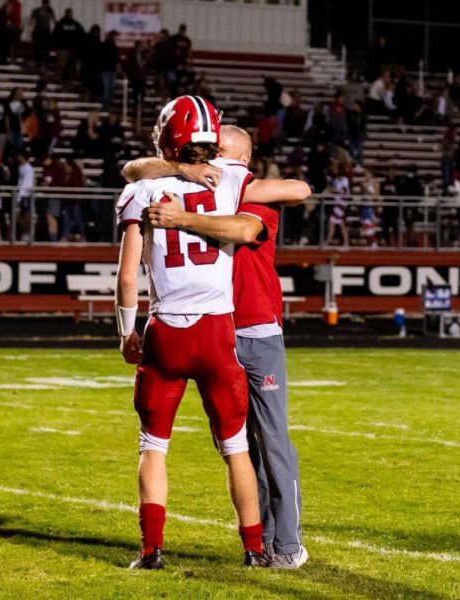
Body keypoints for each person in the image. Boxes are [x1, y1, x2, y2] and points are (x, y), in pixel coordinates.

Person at [124, 124, 311, 569]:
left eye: (218, 155)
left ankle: (284, 543)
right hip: (218, 331)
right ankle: (259, 540)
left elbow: (247, 229)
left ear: (240, 162)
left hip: (256, 329)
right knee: (235, 444)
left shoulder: (250, 197)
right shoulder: (197, 183)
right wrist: (180, 170)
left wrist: (181, 218)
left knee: (271, 439)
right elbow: (134, 168)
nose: (210, 162)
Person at [114, 96, 267, 570]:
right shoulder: (233, 177)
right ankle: (254, 548)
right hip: (217, 332)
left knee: (153, 445)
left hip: (167, 331)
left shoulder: (144, 190)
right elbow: (294, 190)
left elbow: (126, 276)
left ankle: (151, 549)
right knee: (236, 448)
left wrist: (126, 331)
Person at [29, 0, 55, 68]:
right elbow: (31, 20)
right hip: (39, 31)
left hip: (44, 31)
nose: (46, 5)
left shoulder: (49, 10)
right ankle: (39, 62)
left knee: (44, 48)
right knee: (39, 48)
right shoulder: (38, 10)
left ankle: (43, 62)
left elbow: (54, 20)